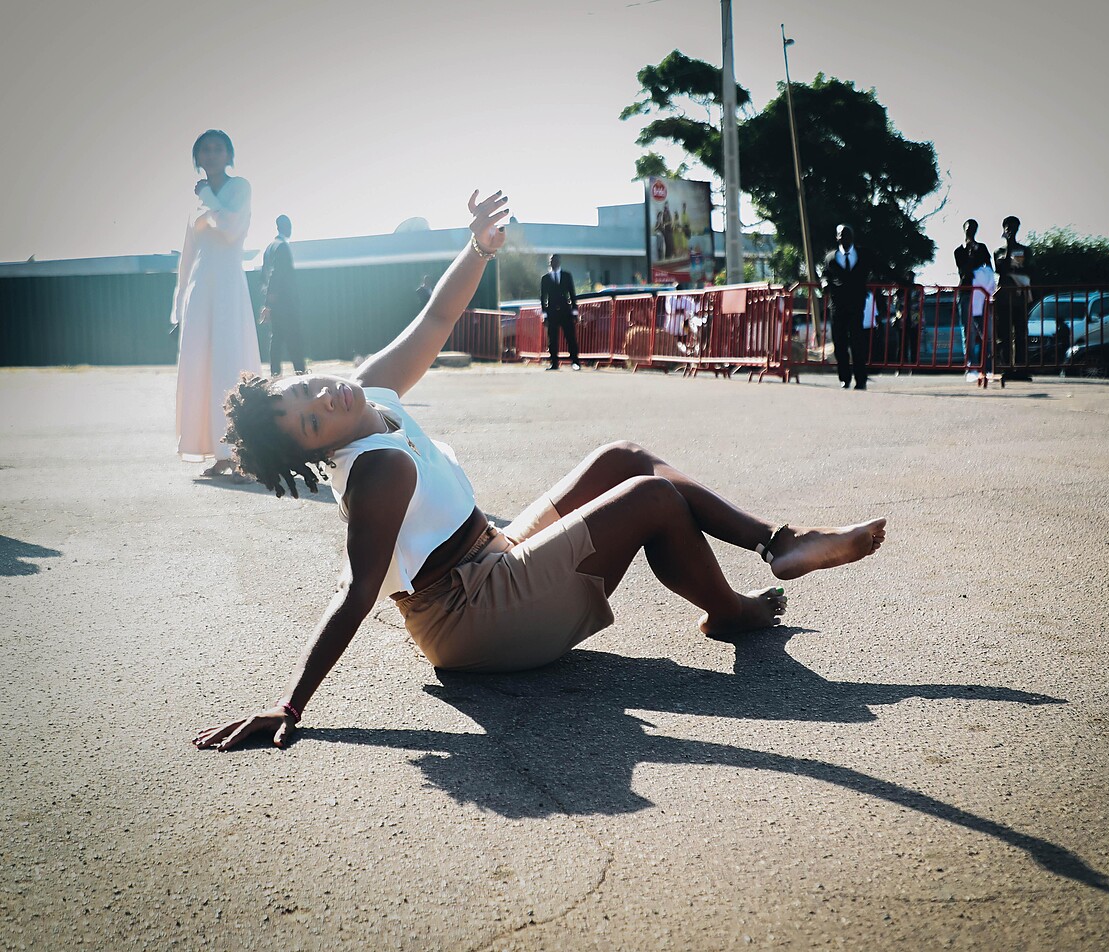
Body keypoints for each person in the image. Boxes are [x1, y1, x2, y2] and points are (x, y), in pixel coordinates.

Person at [192, 189, 887, 752]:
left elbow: (435, 318)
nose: (324, 398)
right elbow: (357, 592)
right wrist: (291, 705)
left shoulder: (367, 393)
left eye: (304, 388)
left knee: (623, 457)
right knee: (648, 497)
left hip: (490, 558)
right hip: (472, 619)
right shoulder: (374, 474)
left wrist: (477, 247)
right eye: (311, 422)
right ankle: (732, 612)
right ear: (317, 452)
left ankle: (778, 542)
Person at [171, 129, 262, 479]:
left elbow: (230, 227)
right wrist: (179, 301)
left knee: (230, 361)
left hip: (227, 288)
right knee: (201, 366)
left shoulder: (239, 188)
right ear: (197, 157)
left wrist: (207, 195)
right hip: (200, 291)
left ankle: (243, 454)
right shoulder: (194, 201)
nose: (211, 154)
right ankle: (218, 453)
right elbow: (188, 254)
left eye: (218, 149)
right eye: (205, 149)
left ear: (228, 155)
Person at [821, 224, 872, 390]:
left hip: (856, 305)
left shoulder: (863, 254)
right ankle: (844, 378)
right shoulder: (830, 257)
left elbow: (881, 268)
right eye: (842, 235)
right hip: (837, 306)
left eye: (848, 235)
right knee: (840, 344)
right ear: (837, 238)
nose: (845, 238)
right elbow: (825, 275)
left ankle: (861, 380)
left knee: (857, 343)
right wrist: (824, 283)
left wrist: (904, 282)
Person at [260, 215, 306, 376]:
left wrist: (268, 304)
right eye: (289, 226)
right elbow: (276, 274)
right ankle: (301, 374)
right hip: (285, 303)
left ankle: (275, 374)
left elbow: (263, 276)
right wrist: (270, 300)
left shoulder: (269, 248)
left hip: (275, 304)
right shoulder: (282, 247)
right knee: (294, 339)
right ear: (284, 227)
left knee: (277, 339)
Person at [993, 216, 1034, 383]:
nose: (1011, 230)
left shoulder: (1025, 250)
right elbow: (1001, 270)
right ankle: (1006, 367)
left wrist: (1015, 268)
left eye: (1014, 227)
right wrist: (1009, 248)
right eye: (1008, 227)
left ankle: (1021, 367)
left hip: (1019, 297)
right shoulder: (998, 252)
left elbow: (1028, 269)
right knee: (1004, 335)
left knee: (1021, 334)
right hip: (1004, 298)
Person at [954, 219, 996, 380]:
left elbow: (989, 267)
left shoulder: (982, 248)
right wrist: (971, 255)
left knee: (986, 331)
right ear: (964, 230)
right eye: (968, 229)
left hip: (980, 293)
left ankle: (988, 367)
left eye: (973, 229)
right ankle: (971, 366)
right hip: (966, 292)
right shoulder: (959, 251)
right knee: (968, 331)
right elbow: (964, 271)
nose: (971, 231)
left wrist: (978, 253)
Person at [540, 253, 580, 371]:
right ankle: (554, 363)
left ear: (559, 262)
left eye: (556, 260)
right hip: (552, 312)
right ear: (549, 262)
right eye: (552, 261)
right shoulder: (545, 278)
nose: (554, 263)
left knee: (570, 337)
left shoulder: (566, 276)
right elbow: (543, 297)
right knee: (552, 338)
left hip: (565, 311)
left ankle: (575, 362)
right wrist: (544, 314)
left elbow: (572, 293)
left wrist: (574, 311)